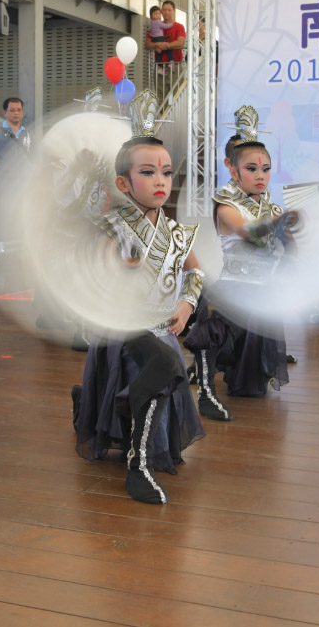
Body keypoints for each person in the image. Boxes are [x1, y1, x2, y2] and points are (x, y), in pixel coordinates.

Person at [72, 89, 205, 505]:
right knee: (167, 363)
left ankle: (92, 407)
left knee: (166, 360)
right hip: (122, 328)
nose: (162, 180)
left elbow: (195, 271)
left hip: (159, 326)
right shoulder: (111, 226)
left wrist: (187, 304)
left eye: (166, 172)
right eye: (149, 172)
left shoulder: (175, 232)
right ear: (124, 183)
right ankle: (139, 462)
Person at [184, 107, 293, 420]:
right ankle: (204, 387)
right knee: (214, 335)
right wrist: (280, 219)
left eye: (266, 169)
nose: (261, 175)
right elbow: (251, 234)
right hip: (236, 287)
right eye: (252, 168)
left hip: (264, 290)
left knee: (252, 387)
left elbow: (280, 246)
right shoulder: (225, 204)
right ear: (234, 171)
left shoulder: (270, 205)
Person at [145, 0, 185, 65]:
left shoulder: (179, 26)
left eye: (169, 10)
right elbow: (147, 44)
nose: (166, 12)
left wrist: (166, 45)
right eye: (164, 10)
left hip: (175, 64)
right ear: (161, 11)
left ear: (174, 11)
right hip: (159, 65)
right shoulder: (154, 27)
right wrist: (157, 44)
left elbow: (181, 42)